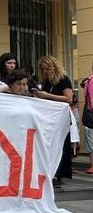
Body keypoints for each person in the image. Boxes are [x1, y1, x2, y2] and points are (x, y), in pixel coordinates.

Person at [34, 55, 74, 189]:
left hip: (60, 118)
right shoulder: (46, 82)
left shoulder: (63, 80)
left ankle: (60, 175)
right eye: (43, 70)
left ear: (54, 68)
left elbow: (69, 99)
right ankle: (51, 172)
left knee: (61, 146)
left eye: (47, 69)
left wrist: (47, 95)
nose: (45, 72)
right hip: (50, 118)